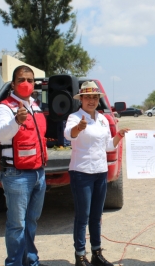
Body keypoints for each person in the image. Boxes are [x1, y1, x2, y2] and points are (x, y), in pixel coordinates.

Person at [64, 81, 129, 266]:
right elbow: (69, 134)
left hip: (100, 172)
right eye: (87, 97)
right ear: (81, 99)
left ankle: (96, 253)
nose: (91, 100)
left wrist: (119, 135)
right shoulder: (75, 117)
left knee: (96, 215)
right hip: (81, 172)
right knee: (82, 215)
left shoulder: (101, 118)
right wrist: (79, 127)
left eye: (94, 97)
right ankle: (80, 255)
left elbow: (108, 145)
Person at [0, 65, 48, 266]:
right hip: (16, 175)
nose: (26, 84)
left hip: (38, 173)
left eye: (30, 80)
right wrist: (16, 121)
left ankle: (31, 261)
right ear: (13, 84)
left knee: (31, 222)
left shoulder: (35, 105)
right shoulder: (5, 107)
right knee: (17, 225)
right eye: (21, 80)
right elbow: (0, 134)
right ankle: (14, 263)